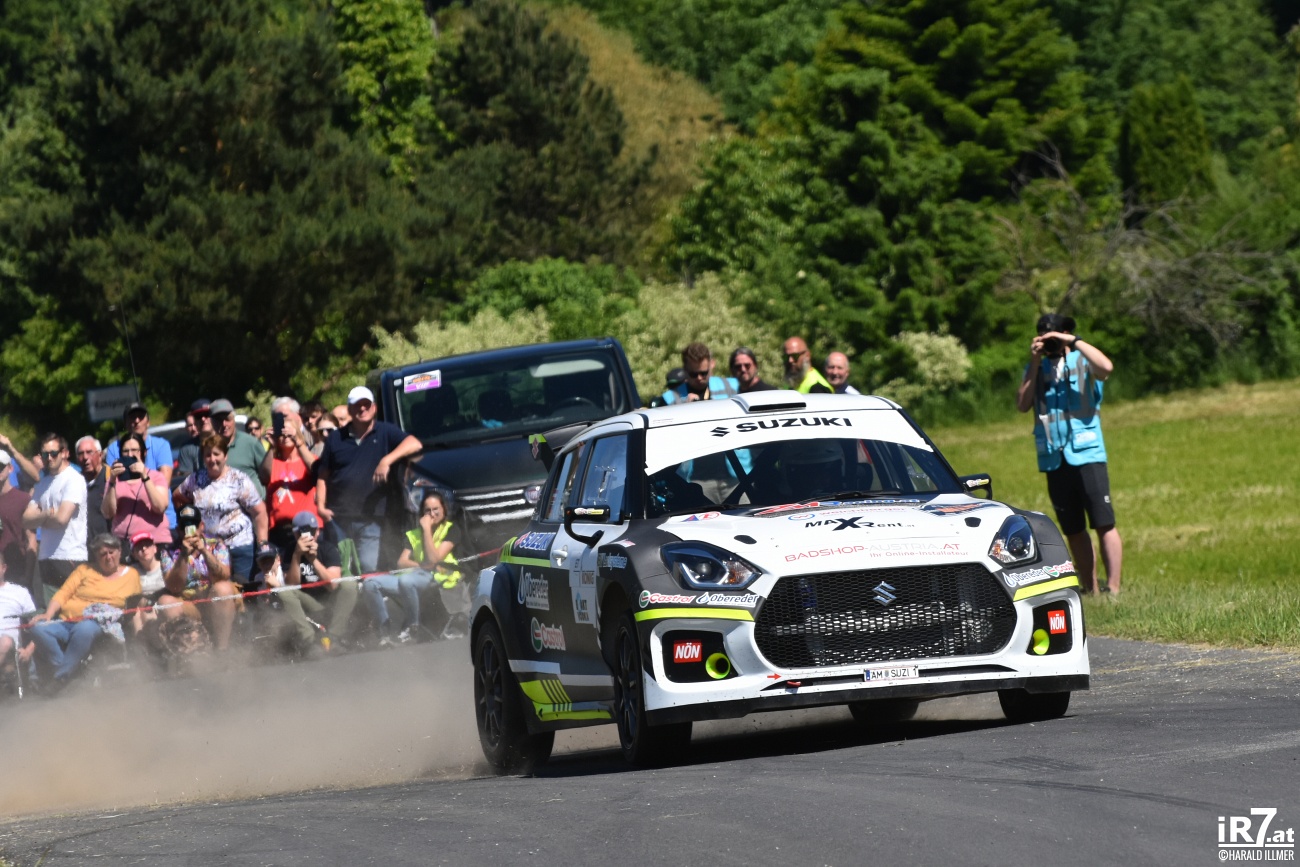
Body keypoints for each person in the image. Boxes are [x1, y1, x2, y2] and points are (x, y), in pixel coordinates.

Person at [1016, 312, 1123, 598]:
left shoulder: (1082, 361)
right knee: (1073, 528)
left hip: (1087, 453)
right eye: (1044, 336)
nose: (1049, 342)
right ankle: (1090, 588)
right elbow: (1023, 404)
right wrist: (1035, 361)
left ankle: (1113, 589)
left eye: (1053, 336)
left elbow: (1106, 367)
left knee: (1104, 522)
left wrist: (1073, 341)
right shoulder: (1035, 367)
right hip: (1054, 457)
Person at [316, 386, 423, 573]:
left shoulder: (385, 431)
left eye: (366, 404)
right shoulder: (335, 438)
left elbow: (414, 444)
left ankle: (370, 592)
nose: (362, 409)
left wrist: (387, 460)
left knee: (368, 567)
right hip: (338, 518)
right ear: (350, 410)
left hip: (372, 518)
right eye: (357, 405)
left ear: (374, 408)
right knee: (342, 569)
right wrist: (320, 506)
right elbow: (322, 476)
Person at [28, 533, 141, 688]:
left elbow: (133, 603)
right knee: (37, 628)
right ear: (96, 556)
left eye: (111, 552)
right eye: (103, 554)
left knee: (84, 628)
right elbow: (62, 594)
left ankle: (61, 678)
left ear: (119, 551)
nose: (108, 557)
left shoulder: (131, 575)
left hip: (97, 623)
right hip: (66, 621)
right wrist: (48, 614)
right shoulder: (84, 570)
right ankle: (65, 669)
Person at [362, 490, 464, 643]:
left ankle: (412, 627)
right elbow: (402, 562)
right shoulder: (415, 534)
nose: (432, 514)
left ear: (444, 510)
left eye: (436, 509)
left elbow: (435, 558)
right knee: (370, 583)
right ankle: (384, 631)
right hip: (416, 574)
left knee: (406, 581)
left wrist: (427, 530)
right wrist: (424, 565)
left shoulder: (451, 529)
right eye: (427, 510)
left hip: (438, 575)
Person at [173, 434, 268, 583]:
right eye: (208, 455)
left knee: (244, 588)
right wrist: (190, 517)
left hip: (239, 546)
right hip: (211, 549)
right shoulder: (195, 479)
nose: (212, 459)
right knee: (220, 591)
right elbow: (177, 496)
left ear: (225, 456)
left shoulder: (238, 479)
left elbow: (259, 512)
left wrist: (263, 543)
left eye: (216, 454)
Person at [277, 511, 358, 653]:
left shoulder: (328, 548)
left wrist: (313, 560)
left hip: (329, 599)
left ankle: (335, 636)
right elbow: (291, 585)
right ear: (295, 534)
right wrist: (297, 555)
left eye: (312, 531)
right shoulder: (290, 551)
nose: (308, 536)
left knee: (349, 584)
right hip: (308, 600)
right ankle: (309, 640)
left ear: (318, 532)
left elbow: (332, 585)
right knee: (284, 592)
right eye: (301, 533)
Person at [158, 505, 236, 651]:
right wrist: (183, 555)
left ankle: (222, 649)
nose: (189, 530)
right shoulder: (168, 552)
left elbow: (223, 576)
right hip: (187, 601)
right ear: (178, 529)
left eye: (193, 525)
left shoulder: (216, 544)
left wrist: (204, 551)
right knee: (166, 602)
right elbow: (174, 587)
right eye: (184, 527)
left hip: (213, 598)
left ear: (201, 526)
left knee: (223, 588)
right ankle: (189, 651)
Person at [22, 434, 88, 606]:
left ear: (64, 453)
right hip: (46, 556)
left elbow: (61, 519)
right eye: (45, 455)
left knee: (72, 610)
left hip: (69, 555)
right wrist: (46, 514)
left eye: (53, 453)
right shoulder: (42, 484)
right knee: (50, 612)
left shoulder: (74, 479)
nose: (49, 458)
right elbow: (26, 520)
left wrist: (39, 518)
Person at [259, 400, 318, 550]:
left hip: (305, 527)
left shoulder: (307, 459)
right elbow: (264, 476)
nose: (285, 436)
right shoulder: (273, 462)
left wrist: (298, 441)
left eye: (289, 433)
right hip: (278, 529)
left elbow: (316, 470)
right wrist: (271, 446)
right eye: (282, 433)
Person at [105, 403, 176, 527]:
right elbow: (110, 486)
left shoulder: (161, 445)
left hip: (161, 520)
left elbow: (164, 483)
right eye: (132, 417)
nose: (137, 421)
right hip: (128, 522)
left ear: (148, 422)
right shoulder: (114, 449)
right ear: (126, 423)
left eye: (141, 417)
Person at [102, 432, 172, 549]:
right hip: (125, 544)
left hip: (155, 542)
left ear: (144, 453)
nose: (130, 454)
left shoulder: (156, 477)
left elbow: (160, 507)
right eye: (125, 451)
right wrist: (112, 481)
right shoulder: (113, 481)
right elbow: (108, 513)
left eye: (134, 450)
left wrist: (144, 476)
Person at [208, 399, 268, 499]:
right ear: (212, 422)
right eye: (219, 420)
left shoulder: (251, 443)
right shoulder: (208, 448)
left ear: (234, 419)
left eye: (227, 419)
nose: (224, 424)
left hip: (253, 505)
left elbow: (268, 476)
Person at [0, 450, 35, 599]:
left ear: (10, 468)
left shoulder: (23, 499)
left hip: (16, 568)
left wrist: (28, 575)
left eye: (1, 466)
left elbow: (31, 539)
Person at [659, 343, 739, 404]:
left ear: (712, 364)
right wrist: (683, 408)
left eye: (704, 373)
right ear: (685, 369)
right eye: (693, 374)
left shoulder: (733, 386)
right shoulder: (669, 399)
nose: (699, 378)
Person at [0, 555, 37, 684]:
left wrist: (29, 650)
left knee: (5, 642)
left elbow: (38, 627)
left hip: (10, 646)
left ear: (4, 568)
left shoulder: (19, 592)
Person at [74, 437, 111, 539]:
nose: (85, 457)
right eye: (80, 453)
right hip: (83, 545)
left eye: (89, 452)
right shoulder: (75, 483)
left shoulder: (110, 479)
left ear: (100, 455)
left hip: (108, 544)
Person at [176, 398, 214, 482]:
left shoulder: (227, 441)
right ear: (195, 421)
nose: (203, 419)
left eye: (207, 414)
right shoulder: (187, 448)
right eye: (198, 416)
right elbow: (187, 483)